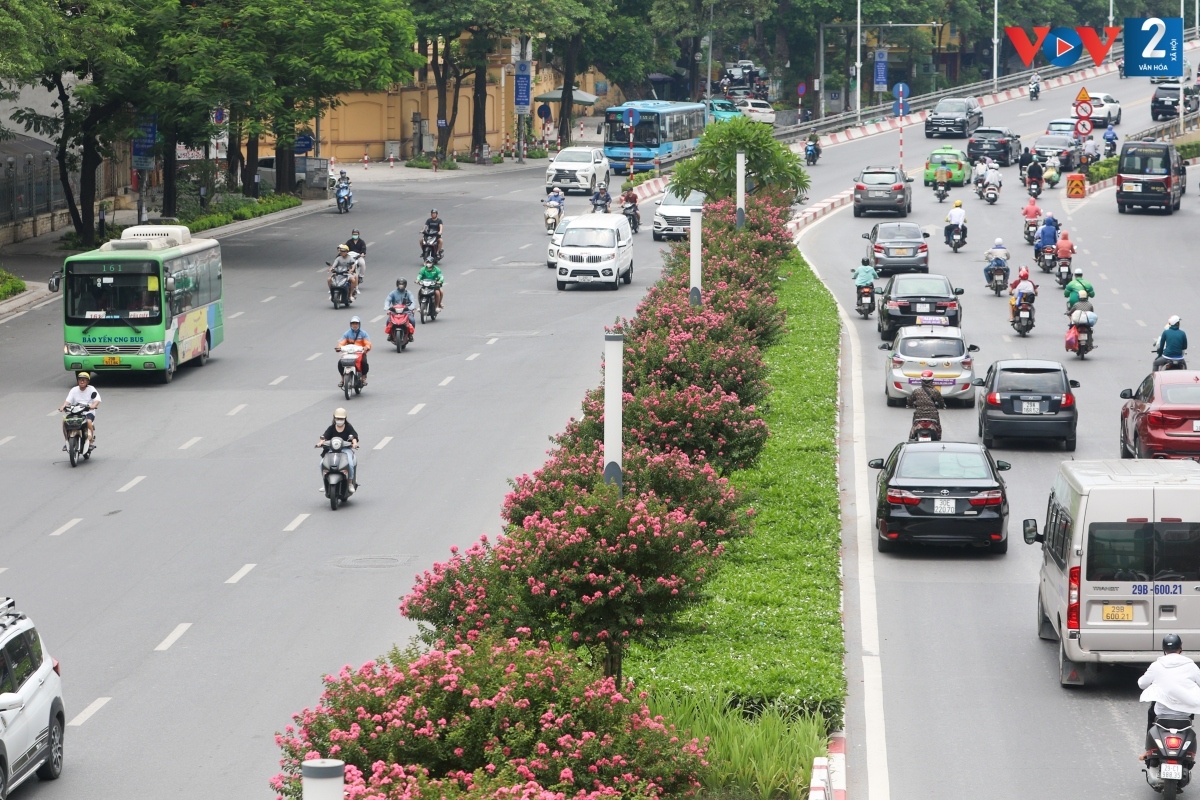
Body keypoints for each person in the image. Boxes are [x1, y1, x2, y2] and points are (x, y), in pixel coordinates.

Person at [1138, 632, 1200, 790]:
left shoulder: (1157, 665)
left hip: (1162, 717)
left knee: (1152, 712)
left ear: (1164, 649)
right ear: (1181, 648)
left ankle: (1148, 751)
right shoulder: (1190, 665)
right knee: (1189, 712)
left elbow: (1141, 684)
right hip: (1184, 717)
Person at [317, 408, 360, 492]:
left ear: (345, 419)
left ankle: (350, 483)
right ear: (334, 418)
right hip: (332, 450)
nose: (339, 420)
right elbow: (324, 437)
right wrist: (320, 442)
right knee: (322, 463)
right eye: (338, 418)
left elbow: (354, 436)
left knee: (350, 464)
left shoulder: (348, 427)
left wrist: (354, 443)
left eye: (341, 419)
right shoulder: (332, 428)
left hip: (346, 449)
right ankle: (325, 482)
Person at [58, 371, 100, 451]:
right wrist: (63, 406)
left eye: (84, 380)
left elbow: (97, 400)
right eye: (80, 379)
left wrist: (93, 406)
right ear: (78, 381)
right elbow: (68, 401)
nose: (82, 381)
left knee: (88, 422)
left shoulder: (91, 389)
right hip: (75, 411)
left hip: (88, 412)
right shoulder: (74, 390)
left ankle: (91, 442)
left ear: (87, 381)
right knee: (65, 422)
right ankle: (67, 441)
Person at [335, 315, 372, 388]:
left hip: (360, 353)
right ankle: (342, 378)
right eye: (353, 323)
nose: (355, 325)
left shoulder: (363, 333)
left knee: (364, 362)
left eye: (356, 323)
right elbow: (342, 342)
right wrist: (338, 347)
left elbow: (368, 343)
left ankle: (363, 377)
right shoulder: (347, 333)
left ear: (359, 324)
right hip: (348, 352)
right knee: (340, 363)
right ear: (350, 324)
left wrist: (366, 347)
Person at [906, 371, 946, 437]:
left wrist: (909, 405)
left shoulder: (916, 391)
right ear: (932, 380)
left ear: (922, 380)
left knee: (913, 428)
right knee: (938, 428)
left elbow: (909, 401)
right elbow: (941, 402)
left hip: (919, 416)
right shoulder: (935, 391)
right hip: (933, 416)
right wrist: (942, 406)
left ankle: (912, 436)